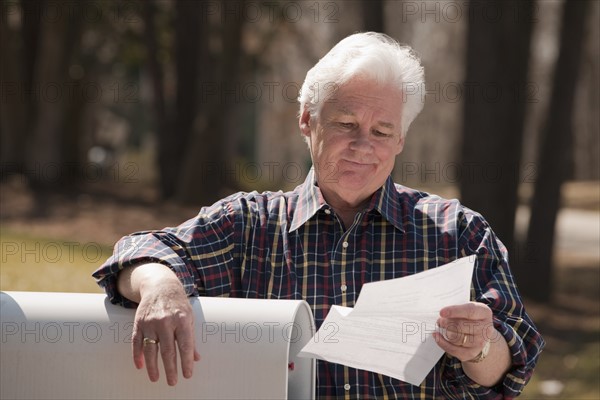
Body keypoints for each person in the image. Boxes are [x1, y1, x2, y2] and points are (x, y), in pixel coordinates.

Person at [93, 32, 544, 398]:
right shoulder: (249, 225)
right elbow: (140, 250)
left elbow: (510, 366)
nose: (363, 144)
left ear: (401, 140)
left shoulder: (457, 232)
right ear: (307, 120)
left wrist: (481, 346)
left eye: (383, 130)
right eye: (346, 124)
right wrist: (160, 285)